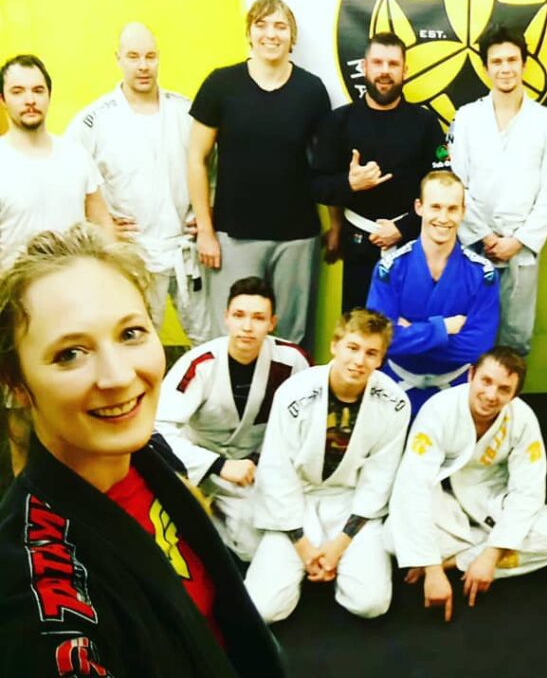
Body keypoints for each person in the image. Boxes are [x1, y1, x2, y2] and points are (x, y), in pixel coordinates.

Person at [0, 224, 283, 676]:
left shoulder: (146, 456)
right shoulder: (35, 586)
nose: (118, 376)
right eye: (70, 353)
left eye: (130, 333)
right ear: (16, 383)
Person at [244, 309, 409, 621]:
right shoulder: (294, 393)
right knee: (261, 609)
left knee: (371, 603)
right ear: (335, 345)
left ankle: (337, 565)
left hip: (350, 502)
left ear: (381, 359)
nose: (359, 361)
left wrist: (339, 546)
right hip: (298, 500)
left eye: (371, 353)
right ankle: (304, 562)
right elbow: (277, 471)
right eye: (352, 348)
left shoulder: (395, 402)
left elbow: (379, 478)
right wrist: (303, 547)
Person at [188, 0, 331, 347]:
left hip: (297, 237)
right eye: (262, 25)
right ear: (249, 33)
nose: (271, 34)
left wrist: (337, 225)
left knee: (291, 340)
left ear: (292, 37)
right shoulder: (221, 85)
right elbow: (196, 158)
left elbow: (326, 165)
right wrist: (205, 231)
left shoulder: (311, 91)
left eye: (280, 26)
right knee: (233, 338)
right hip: (233, 236)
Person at [388, 347, 547, 622]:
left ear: (515, 395)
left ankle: (458, 562)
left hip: (490, 497)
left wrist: (490, 555)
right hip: (443, 501)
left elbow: (528, 491)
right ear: (471, 375)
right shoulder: (440, 409)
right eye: (486, 381)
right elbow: (413, 486)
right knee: (392, 539)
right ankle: (458, 555)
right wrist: (432, 570)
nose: (491, 395)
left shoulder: (522, 418)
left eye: (504, 389)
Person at [67, 23, 211, 344]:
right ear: (118, 59)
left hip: (186, 250)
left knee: (208, 338)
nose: (143, 66)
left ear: (159, 58)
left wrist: (206, 212)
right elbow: (70, 179)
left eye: (150, 56)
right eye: (133, 57)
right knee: (136, 340)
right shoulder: (93, 121)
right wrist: (100, 224)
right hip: (132, 251)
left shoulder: (186, 111)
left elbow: (211, 166)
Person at [154, 276, 309, 560]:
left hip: (254, 467)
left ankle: (214, 521)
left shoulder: (292, 361)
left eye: (258, 318)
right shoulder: (200, 363)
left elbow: (304, 423)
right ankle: (203, 519)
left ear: (272, 323)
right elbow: (157, 427)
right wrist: (218, 465)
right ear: (226, 317)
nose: (247, 327)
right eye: (239, 315)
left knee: (254, 547)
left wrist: (267, 462)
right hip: (198, 461)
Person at [449, 24, 547, 355]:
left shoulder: (546, 122)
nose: (505, 68)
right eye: (496, 61)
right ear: (485, 68)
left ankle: (511, 394)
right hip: (474, 246)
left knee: (514, 342)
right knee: (466, 334)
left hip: (521, 250)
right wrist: (485, 236)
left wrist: (517, 241)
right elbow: (456, 186)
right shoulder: (466, 118)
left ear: (524, 64)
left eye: (512, 60)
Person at [311, 32, 448, 311]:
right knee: (358, 323)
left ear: (405, 71)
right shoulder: (339, 122)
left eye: (393, 64)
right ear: (364, 67)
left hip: (414, 243)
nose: (385, 71)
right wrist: (349, 184)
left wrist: (402, 228)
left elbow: (442, 187)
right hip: (358, 244)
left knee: (411, 325)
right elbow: (316, 185)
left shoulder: (425, 123)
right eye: (377, 63)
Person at [367, 171, 499, 413]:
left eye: (452, 209)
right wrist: (443, 329)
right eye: (435, 207)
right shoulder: (390, 268)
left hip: (456, 389)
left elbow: (477, 346)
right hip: (394, 387)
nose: (443, 218)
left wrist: (410, 332)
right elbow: (380, 341)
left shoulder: (483, 274)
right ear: (419, 208)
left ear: (463, 211)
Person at [0, 54, 114, 269]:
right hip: (14, 288)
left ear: (49, 96)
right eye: (18, 91)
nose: (30, 100)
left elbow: (102, 224)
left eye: (38, 90)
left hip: (76, 284)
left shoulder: (76, 155)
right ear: (3, 99)